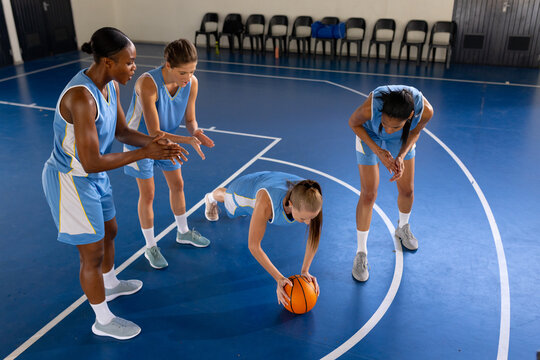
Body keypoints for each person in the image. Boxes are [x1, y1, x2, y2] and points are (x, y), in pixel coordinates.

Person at [41, 27, 186, 340]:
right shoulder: (81, 98)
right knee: (90, 254)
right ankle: (102, 320)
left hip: (94, 175)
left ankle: (110, 283)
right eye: (129, 62)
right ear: (108, 62)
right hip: (72, 179)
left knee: (111, 231)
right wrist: (146, 152)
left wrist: (155, 143)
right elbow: (91, 160)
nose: (134, 67)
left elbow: (122, 132)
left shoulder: (111, 88)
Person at [123, 39, 215, 270]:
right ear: (168, 65)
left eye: (192, 71)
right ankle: (150, 246)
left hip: (167, 140)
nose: (187, 77)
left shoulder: (191, 83)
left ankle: (183, 232)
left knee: (178, 185)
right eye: (182, 72)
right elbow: (153, 131)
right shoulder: (148, 84)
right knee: (149, 195)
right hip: (140, 143)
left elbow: (190, 119)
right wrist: (186, 139)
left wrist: (197, 132)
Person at [348, 85, 434, 282]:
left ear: (411, 115)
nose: (388, 129)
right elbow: (353, 123)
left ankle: (402, 227)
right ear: (381, 112)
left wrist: (401, 156)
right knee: (369, 194)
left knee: (407, 189)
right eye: (385, 123)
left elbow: (416, 131)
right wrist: (379, 151)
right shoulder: (371, 107)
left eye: (394, 126)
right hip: (369, 133)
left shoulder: (425, 111)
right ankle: (361, 252)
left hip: (402, 139)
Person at [204, 171, 322, 306]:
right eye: (303, 218)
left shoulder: (311, 198)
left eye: (311, 218)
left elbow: (314, 236)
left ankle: (255, 215)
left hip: (270, 181)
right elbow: (254, 246)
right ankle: (210, 198)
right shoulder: (266, 204)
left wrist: (305, 270)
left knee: (256, 215)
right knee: (227, 198)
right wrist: (279, 278)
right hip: (244, 189)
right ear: (290, 204)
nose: (308, 222)